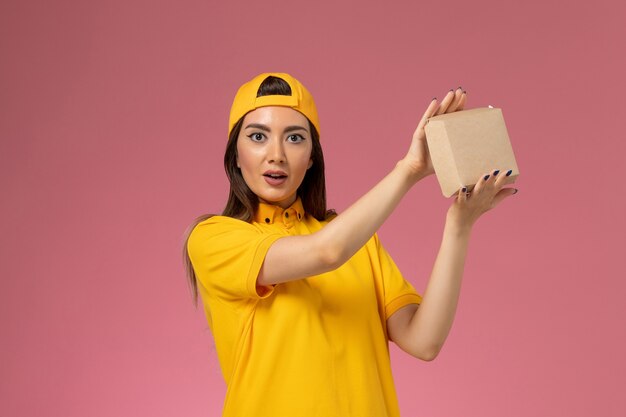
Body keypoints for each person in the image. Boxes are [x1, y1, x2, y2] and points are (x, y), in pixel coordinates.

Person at [183, 72, 517, 416]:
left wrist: (460, 225)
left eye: (295, 138)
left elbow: (424, 341)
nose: (277, 155)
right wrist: (410, 169)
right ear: (235, 155)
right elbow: (325, 252)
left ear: (312, 156)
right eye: (257, 137)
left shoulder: (360, 243)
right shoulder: (213, 239)